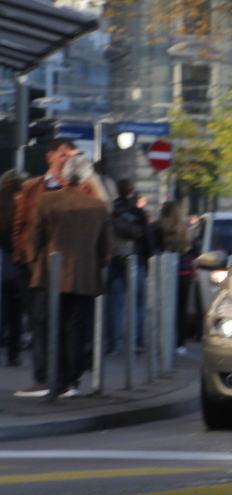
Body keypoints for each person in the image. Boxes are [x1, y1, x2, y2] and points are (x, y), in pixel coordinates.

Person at [29, 154, 110, 398]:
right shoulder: (97, 207)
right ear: (85, 177)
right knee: (77, 327)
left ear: (63, 176)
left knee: (53, 325)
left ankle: (57, 377)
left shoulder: (47, 201)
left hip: (52, 274)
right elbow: (105, 248)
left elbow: (35, 237)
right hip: (84, 275)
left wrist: (36, 262)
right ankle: (72, 380)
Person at [12, 137, 81, 397]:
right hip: (35, 267)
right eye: (63, 155)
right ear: (50, 157)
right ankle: (43, 377)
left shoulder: (81, 188)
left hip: (68, 268)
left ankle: (67, 379)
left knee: (68, 324)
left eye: (72, 156)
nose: (68, 161)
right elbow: (20, 226)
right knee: (39, 323)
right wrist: (25, 258)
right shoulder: (32, 188)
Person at [106, 179, 152, 355]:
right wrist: (149, 258)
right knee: (138, 302)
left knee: (115, 302)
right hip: (136, 259)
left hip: (116, 260)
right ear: (131, 192)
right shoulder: (137, 212)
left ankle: (114, 344)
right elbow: (147, 237)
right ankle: (137, 341)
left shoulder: (112, 209)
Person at [158, 201, 193, 355]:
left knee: (163, 308)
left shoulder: (158, 228)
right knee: (181, 309)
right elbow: (194, 249)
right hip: (184, 271)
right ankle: (180, 343)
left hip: (163, 272)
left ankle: (163, 342)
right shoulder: (184, 229)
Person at [0, 168, 27, 366]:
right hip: (17, 264)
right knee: (16, 312)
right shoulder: (22, 204)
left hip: (3, 261)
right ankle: (14, 354)